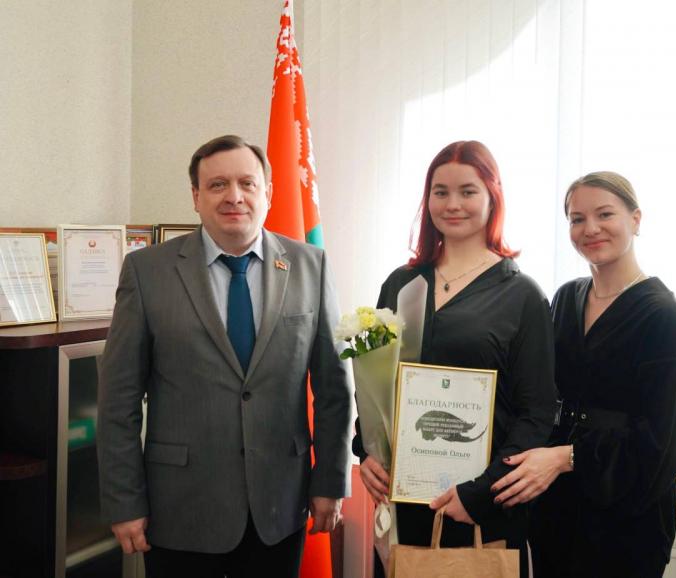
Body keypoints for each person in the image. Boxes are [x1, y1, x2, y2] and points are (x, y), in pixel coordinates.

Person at [97, 135, 353, 578]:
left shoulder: (312, 266)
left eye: (246, 183)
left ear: (267, 193)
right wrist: (124, 502)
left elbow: (334, 388)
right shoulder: (147, 271)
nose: (234, 196)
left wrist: (330, 482)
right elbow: (118, 401)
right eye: (217, 185)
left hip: (279, 505)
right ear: (196, 197)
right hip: (179, 508)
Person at [353, 140, 558, 577]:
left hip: (482, 508)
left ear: (492, 197)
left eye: (468, 191)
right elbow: (374, 386)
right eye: (440, 192)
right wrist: (366, 452)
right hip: (406, 501)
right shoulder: (399, 283)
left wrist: (481, 493)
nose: (452, 204)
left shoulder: (523, 295)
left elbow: (537, 412)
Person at [491, 171, 676, 577]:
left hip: (626, 523)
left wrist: (566, 457)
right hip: (555, 514)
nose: (590, 229)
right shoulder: (565, 299)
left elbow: (662, 446)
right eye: (577, 218)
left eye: (604, 214)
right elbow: (536, 393)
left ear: (635, 219)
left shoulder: (665, 317)